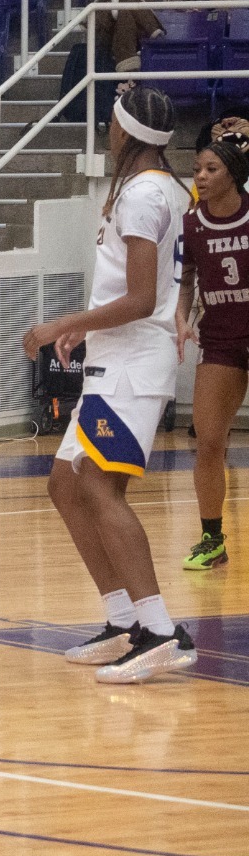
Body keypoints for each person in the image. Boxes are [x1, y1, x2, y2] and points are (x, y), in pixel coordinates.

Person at [25, 85, 196, 683]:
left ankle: (160, 629)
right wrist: (87, 329)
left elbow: (143, 298)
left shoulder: (144, 195)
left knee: (99, 486)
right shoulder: (158, 188)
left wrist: (62, 323)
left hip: (132, 367)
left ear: (124, 131)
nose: (107, 130)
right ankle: (123, 620)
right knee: (66, 485)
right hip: (113, 360)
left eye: (112, 122)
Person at [178, 126, 249, 570]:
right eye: (197, 169)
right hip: (220, 339)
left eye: (211, 169)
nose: (201, 176)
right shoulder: (192, 223)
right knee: (208, 442)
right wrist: (181, 317)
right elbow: (187, 279)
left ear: (233, 174)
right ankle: (212, 540)